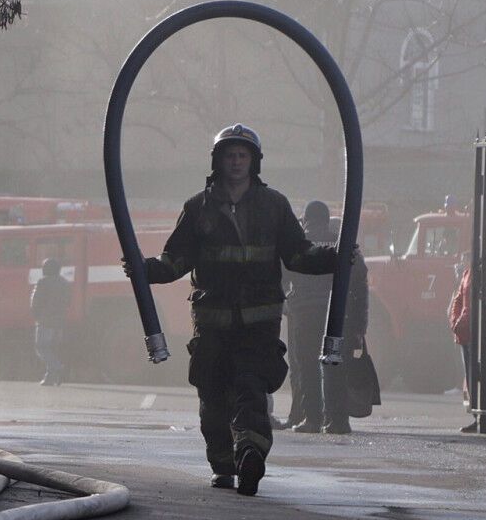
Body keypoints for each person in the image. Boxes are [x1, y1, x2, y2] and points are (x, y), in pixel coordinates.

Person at [127, 124, 339, 496]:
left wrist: (334, 258)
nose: (237, 161)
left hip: (259, 323)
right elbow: (176, 260)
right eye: (230, 155)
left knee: (251, 388)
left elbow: (297, 253)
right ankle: (223, 464)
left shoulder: (274, 206)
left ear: (254, 161)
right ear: (219, 161)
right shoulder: (197, 208)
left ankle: (250, 453)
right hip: (212, 324)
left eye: (243, 155)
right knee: (213, 395)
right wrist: (146, 269)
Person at [284, 202, 370, 435]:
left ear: (306, 220)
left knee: (307, 367)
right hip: (337, 317)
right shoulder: (342, 242)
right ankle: (338, 420)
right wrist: (360, 323)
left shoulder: (300, 242)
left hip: (304, 315)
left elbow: (283, 275)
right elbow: (360, 280)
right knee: (334, 365)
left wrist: (285, 304)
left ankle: (312, 419)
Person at [448, 253, 486, 435]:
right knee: (472, 376)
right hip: (467, 332)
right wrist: (456, 321)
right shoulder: (469, 273)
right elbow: (458, 299)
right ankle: (478, 417)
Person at [30, 257, 71, 386]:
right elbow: (68, 301)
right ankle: (50, 377)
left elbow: (35, 302)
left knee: (41, 347)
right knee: (53, 349)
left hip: (45, 321)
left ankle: (58, 368)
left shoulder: (43, 282)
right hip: (60, 321)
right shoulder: (65, 283)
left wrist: (36, 315)